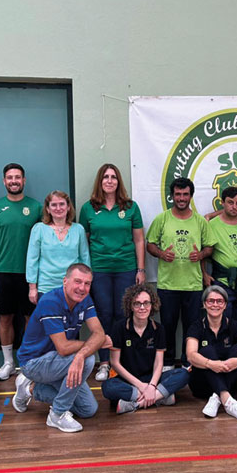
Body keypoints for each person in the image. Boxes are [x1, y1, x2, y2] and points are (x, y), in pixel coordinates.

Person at [13, 263, 103, 433]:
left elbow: (99, 333)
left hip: (60, 362)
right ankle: (57, 414)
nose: (82, 288)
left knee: (88, 409)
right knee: (88, 358)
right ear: (65, 281)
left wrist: (82, 352)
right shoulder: (50, 301)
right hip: (33, 363)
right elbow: (63, 347)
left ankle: (30, 389)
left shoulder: (85, 299)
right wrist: (88, 348)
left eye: (87, 283)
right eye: (78, 281)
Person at [79, 163, 146, 383]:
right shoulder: (88, 208)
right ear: (100, 181)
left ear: (119, 181)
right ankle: (105, 363)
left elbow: (139, 240)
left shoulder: (131, 207)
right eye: (106, 177)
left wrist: (141, 269)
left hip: (126, 268)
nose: (110, 181)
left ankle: (122, 362)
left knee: (123, 315)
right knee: (103, 315)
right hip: (100, 270)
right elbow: (83, 241)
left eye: (113, 177)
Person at [0, 163, 42, 381]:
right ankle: (8, 362)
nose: (14, 181)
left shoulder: (36, 207)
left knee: (31, 319)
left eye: (17, 177)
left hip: (30, 274)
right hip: (3, 272)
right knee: (5, 317)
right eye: (10, 177)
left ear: (23, 181)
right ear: (4, 181)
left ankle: (28, 362)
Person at [146, 178, 214, 368]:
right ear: (172, 196)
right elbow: (150, 245)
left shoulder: (200, 221)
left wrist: (201, 254)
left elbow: (210, 247)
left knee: (191, 328)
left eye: (185, 194)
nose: (181, 198)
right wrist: (161, 253)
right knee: (167, 326)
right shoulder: (162, 219)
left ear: (191, 196)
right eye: (178, 194)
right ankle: (167, 363)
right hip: (168, 284)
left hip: (193, 285)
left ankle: (188, 362)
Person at [102, 283, 190, 414]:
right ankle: (160, 397)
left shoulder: (159, 329)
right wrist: (141, 387)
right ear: (130, 306)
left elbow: (159, 363)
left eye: (146, 303)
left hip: (151, 379)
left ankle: (137, 403)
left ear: (152, 305)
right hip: (128, 380)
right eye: (137, 303)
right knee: (107, 387)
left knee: (183, 374)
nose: (142, 307)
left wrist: (152, 385)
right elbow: (115, 363)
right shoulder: (119, 327)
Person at [185, 285, 237, 420]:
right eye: (211, 301)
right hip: (202, 385)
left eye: (219, 301)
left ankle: (217, 398)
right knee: (206, 351)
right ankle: (227, 401)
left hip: (231, 382)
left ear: (225, 305)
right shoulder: (196, 326)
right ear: (204, 304)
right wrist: (210, 364)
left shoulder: (233, 325)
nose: (215, 305)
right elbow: (191, 355)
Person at [204, 186, 237, 334]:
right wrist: (204, 274)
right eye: (230, 202)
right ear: (222, 203)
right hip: (222, 281)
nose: (234, 207)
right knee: (221, 324)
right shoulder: (212, 225)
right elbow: (204, 251)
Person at [26, 191, 90, 305]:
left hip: (74, 288)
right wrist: (32, 288)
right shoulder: (39, 229)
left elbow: (85, 259)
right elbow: (32, 260)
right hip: (46, 287)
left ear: (68, 207)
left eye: (62, 204)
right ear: (48, 209)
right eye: (54, 205)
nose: (58, 208)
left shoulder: (79, 229)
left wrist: (85, 285)